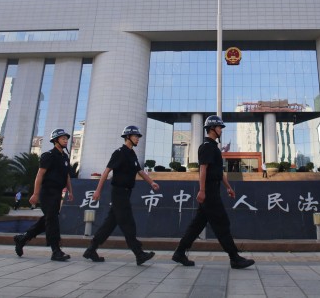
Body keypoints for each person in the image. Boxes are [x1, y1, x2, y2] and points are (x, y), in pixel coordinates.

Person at [172, 115, 255, 269]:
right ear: (212, 128)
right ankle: (234, 258)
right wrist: (202, 190)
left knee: (197, 225)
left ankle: (179, 252)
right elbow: (202, 169)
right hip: (209, 192)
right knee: (222, 223)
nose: (221, 130)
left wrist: (228, 187)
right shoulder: (206, 147)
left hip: (213, 189)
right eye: (219, 127)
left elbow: (218, 172)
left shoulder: (213, 147)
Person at [82, 125, 159, 266]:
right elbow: (106, 172)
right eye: (136, 136)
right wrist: (98, 190)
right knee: (128, 223)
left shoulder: (132, 154)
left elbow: (140, 171)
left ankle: (91, 249)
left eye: (138, 137)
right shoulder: (119, 153)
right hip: (119, 193)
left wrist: (152, 183)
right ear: (128, 137)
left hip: (126, 193)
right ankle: (139, 253)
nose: (138, 139)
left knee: (109, 224)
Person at [13, 128, 74, 261]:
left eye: (66, 139)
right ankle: (56, 250)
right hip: (47, 192)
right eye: (63, 138)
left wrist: (70, 191)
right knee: (52, 220)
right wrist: (35, 194)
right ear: (55, 140)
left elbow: (67, 176)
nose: (66, 141)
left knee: (47, 219)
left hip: (57, 193)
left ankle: (22, 238)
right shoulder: (48, 155)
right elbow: (40, 174)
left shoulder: (64, 157)